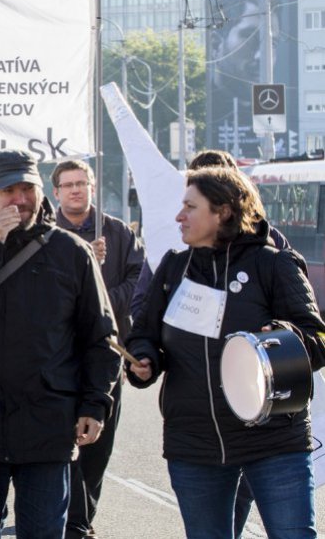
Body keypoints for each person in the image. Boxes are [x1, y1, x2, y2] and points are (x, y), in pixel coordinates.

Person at [0, 149, 119, 539]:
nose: (19, 199)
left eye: (26, 188)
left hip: (47, 423)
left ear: (40, 190)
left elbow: (101, 338)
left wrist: (95, 403)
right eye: (8, 189)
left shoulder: (71, 252)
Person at [126, 167, 325, 539]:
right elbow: (144, 334)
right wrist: (144, 360)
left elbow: (316, 338)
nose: (178, 216)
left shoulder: (273, 263)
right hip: (195, 442)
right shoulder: (174, 267)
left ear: (224, 212)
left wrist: (286, 337)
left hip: (273, 439)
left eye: (190, 207)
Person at [49, 159, 145, 539]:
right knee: (60, 446)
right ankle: (68, 522)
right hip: (58, 357)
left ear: (92, 187)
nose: (76, 190)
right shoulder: (46, 234)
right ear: (55, 191)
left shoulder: (117, 232)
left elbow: (140, 280)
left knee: (97, 449)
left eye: (82, 183)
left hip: (107, 355)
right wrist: (83, 263)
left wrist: (102, 299)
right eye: (68, 184)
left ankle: (82, 520)